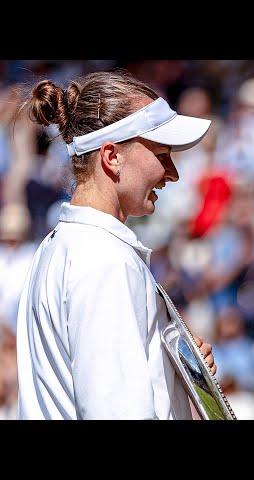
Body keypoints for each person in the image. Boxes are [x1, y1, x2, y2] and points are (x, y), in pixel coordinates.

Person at [16, 70, 217, 420]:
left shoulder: (61, 246)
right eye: (161, 153)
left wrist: (173, 374)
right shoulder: (104, 258)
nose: (173, 173)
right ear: (112, 156)